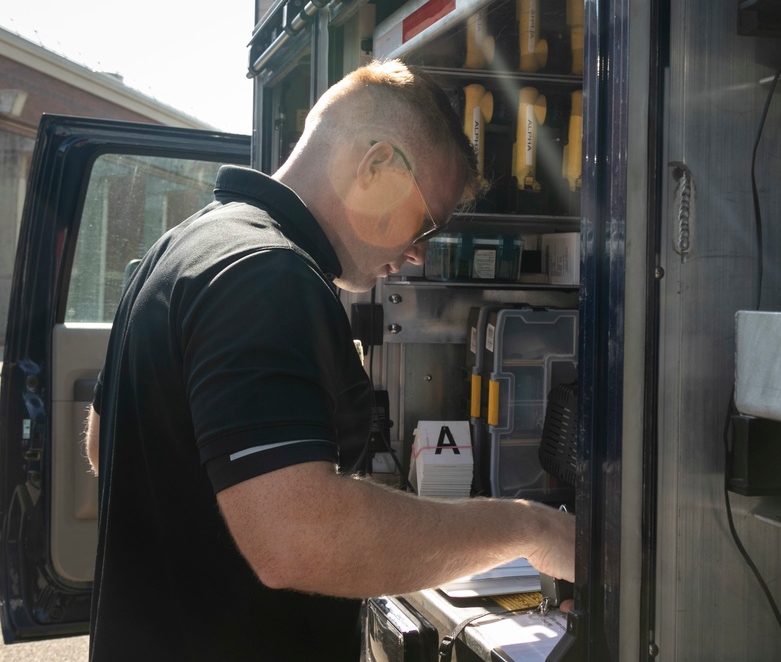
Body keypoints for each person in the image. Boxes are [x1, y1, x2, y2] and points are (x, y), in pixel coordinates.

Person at [84, 59, 574, 661]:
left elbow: (102, 444)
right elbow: (299, 540)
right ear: (377, 167)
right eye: (428, 223)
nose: (418, 255)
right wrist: (533, 529)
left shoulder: (185, 245)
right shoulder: (270, 275)